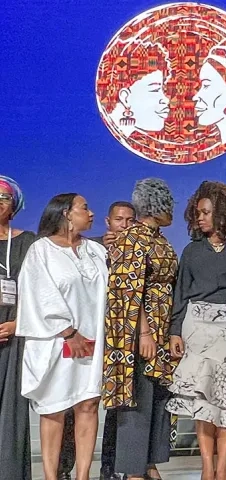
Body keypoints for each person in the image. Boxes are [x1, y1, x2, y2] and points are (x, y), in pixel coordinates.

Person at [167, 181, 226, 480]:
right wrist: (175, 331)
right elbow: (180, 293)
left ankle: (223, 467)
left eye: (206, 212)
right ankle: (207, 466)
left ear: (222, 213)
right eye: (197, 213)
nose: (200, 218)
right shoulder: (192, 251)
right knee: (201, 399)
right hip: (197, 326)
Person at [17, 193, 108, 480]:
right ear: (67, 213)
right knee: (54, 408)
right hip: (57, 341)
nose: (91, 213)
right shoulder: (40, 251)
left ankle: (83, 475)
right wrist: (69, 332)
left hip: (92, 341)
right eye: (85, 208)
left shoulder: (95, 250)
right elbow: (39, 294)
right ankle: (50, 476)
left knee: (88, 403)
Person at [102, 178, 179, 480]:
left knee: (158, 396)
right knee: (137, 397)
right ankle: (133, 470)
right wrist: (144, 333)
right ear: (155, 206)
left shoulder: (159, 239)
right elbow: (129, 289)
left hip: (162, 326)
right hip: (138, 331)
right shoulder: (132, 238)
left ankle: (150, 462)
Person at [59, 200, 136, 480]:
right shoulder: (91, 248)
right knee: (75, 401)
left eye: (130, 220)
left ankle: (111, 468)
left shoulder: (137, 251)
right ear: (108, 222)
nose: (124, 225)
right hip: (87, 336)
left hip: (120, 337)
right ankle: (64, 466)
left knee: (115, 405)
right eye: (119, 220)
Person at [0, 175, 36, 480]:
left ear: (15, 206)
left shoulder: (29, 242)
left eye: (4, 197)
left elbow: (40, 292)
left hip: (13, 337)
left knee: (10, 414)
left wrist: (17, 322)